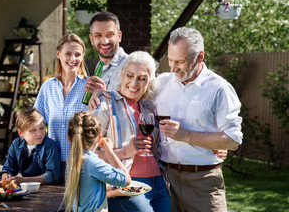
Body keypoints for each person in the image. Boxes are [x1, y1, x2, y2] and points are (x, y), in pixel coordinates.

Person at [155, 27, 243, 212]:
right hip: (165, 180)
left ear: (200, 57)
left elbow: (233, 140)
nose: (173, 68)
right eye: (170, 60)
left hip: (203, 182)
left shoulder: (219, 89)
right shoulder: (161, 83)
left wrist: (186, 135)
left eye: (180, 61)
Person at [92, 51, 171, 212]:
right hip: (126, 186)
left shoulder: (149, 110)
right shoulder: (106, 105)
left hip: (158, 184)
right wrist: (124, 152)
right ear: (121, 75)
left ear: (149, 83)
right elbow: (88, 153)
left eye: (142, 78)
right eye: (130, 75)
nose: (134, 83)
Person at [34, 33, 88, 183]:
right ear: (58, 54)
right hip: (51, 164)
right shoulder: (48, 86)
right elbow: (35, 122)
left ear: (83, 56)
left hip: (81, 163)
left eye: (77, 54)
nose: (73, 59)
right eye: (68, 54)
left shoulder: (90, 87)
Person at [64, 111, 131, 212]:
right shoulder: (93, 162)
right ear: (99, 137)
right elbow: (126, 180)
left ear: (69, 137)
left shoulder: (72, 159)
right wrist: (110, 152)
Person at [0, 108, 61, 184]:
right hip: (26, 188)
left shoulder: (50, 146)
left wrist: (23, 180)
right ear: (21, 133)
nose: (39, 133)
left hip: (48, 190)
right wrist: (5, 175)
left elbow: (52, 176)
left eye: (41, 128)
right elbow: (9, 168)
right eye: (33, 130)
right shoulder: (16, 144)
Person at [85, 11, 128, 93]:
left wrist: (103, 94)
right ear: (91, 39)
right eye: (98, 35)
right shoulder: (100, 65)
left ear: (119, 36)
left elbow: (136, 105)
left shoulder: (130, 66)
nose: (105, 41)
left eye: (110, 34)